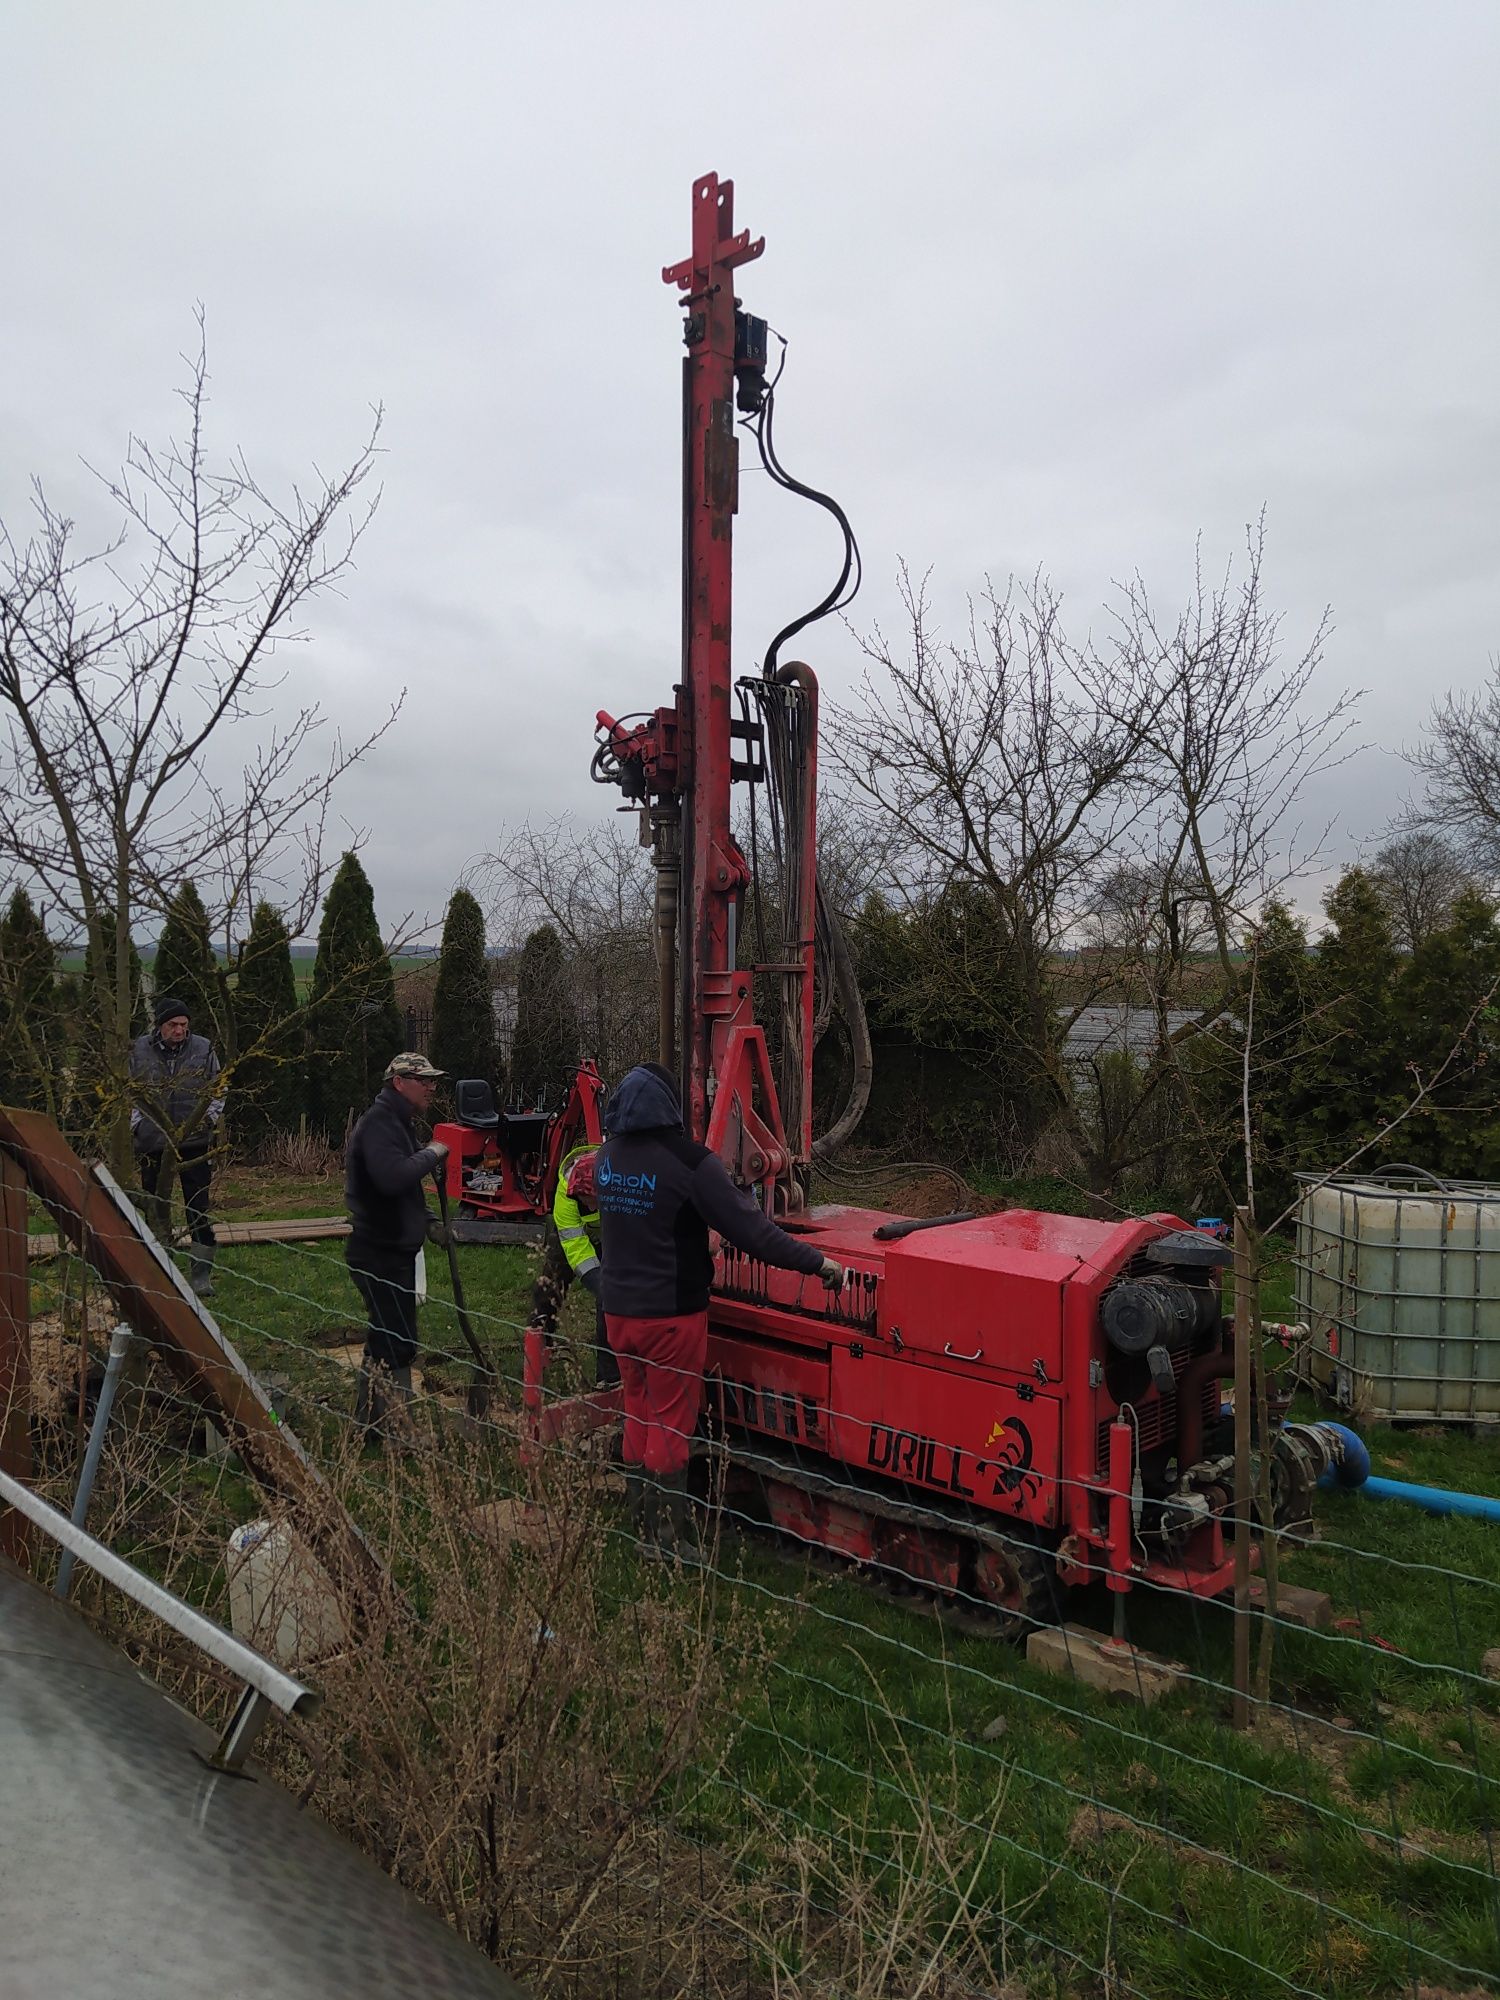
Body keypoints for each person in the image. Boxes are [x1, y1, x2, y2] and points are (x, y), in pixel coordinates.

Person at [595, 1061, 844, 1555]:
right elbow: (754, 1233)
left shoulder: (608, 1157)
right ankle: (666, 1543)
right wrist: (817, 1263)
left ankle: (637, 1521)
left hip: (618, 1313)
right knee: (670, 1421)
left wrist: (691, 1238)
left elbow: (647, 1225)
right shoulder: (691, 1163)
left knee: (638, 1412)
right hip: (669, 1316)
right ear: (670, 1106)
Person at [343, 1051, 451, 1433]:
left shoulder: (399, 1122)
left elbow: (403, 1193)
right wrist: (433, 1151)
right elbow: (392, 1177)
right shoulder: (379, 1125)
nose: (432, 1087)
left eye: (433, 1080)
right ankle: (401, 1432)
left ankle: (366, 1425)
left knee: (383, 1339)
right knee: (399, 1342)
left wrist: (431, 1222)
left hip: (391, 1250)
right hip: (379, 1253)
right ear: (399, 1083)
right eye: (424, 1080)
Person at [130, 995, 224, 1296]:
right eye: (173, 1025)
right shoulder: (139, 1050)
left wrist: (208, 1119)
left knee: (198, 1207)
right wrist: (137, 1125)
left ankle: (201, 1275)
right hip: (153, 1142)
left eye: (184, 1025)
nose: (180, 1030)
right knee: (156, 1208)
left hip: (194, 1141)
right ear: (160, 1025)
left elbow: (219, 1086)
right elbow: (128, 1091)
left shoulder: (204, 1048)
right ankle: (160, 1268)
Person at [527, 1136, 620, 1388]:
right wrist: (599, 1283)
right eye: (586, 1201)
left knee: (609, 1303)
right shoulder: (565, 1197)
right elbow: (576, 1247)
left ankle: (609, 1376)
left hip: (610, 1237)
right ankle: (537, 1353)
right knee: (548, 1290)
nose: (590, 1205)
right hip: (574, 1239)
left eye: (593, 1199)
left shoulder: (618, 1179)